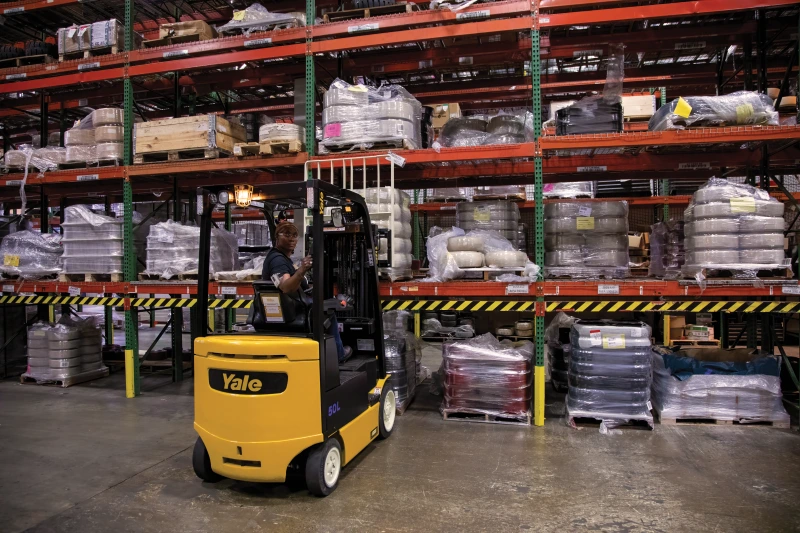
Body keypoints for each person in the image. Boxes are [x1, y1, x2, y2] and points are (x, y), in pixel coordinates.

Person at [262, 221, 351, 362]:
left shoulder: (283, 258)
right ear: (277, 237)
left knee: (328, 302)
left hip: (291, 307)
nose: (291, 238)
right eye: (286, 234)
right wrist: (302, 270)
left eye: (294, 235)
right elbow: (286, 287)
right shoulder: (277, 260)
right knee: (328, 312)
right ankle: (338, 354)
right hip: (292, 312)